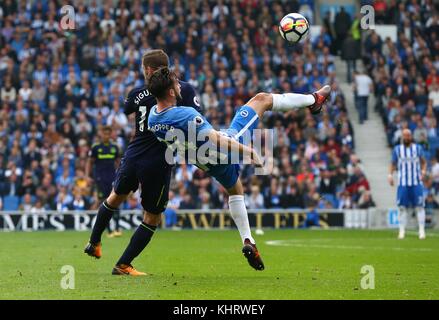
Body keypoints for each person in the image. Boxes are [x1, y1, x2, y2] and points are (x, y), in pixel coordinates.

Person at [147, 67, 331, 271]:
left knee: (235, 190)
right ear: (171, 92)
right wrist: (249, 151)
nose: (179, 84)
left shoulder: (153, 119)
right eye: (176, 82)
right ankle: (314, 100)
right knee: (262, 99)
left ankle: (249, 240)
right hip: (224, 147)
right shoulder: (186, 114)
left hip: (203, 162)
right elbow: (215, 139)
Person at [84, 49, 201, 276]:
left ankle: (94, 242)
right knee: (152, 216)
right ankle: (123, 264)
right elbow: (197, 117)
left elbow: (128, 108)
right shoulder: (183, 89)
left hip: (133, 154)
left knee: (114, 198)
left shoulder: (137, 92)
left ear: (148, 69)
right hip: (159, 160)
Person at [388, 129, 427, 239]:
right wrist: (390, 175)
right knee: (402, 208)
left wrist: (423, 172)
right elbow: (392, 163)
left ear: (411, 137)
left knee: (419, 207)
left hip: (416, 182)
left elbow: (423, 162)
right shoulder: (397, 149)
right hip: (403, 183)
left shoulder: (418, 148)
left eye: (408, 135)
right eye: (404, 135)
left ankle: (422, 231)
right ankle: (401, 231)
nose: (406, 137)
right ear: (402, 137)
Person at [86, 126, 121, 237]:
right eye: (104, 134)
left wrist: (121, 174)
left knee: (115, 201)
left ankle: (117, 228)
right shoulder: (96, 147)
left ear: (111, 135)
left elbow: (118, 163)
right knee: (103, 203)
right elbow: (90, 162)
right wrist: (87, 176)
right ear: (101, 134)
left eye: (108, 134)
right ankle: (109, 230)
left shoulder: (115, 147)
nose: (106, 136)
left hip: (112, 178)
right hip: (100, 179)